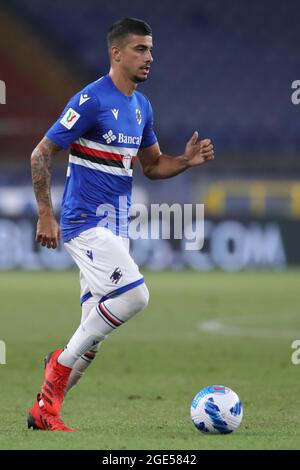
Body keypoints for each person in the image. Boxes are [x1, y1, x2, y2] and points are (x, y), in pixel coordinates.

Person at [28, 17, 214, 431]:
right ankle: (56, 366)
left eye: (150, 49)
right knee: (135, 297)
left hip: (117, 228)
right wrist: (45, 213)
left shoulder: (141, 106)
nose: (150, 57)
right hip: (84, 222)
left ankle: (44, 413)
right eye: (140, 49)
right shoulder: (91, 100)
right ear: (116, 53)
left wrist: (184, 161)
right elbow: (41, 154)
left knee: (92, 336)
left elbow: (152, 166)